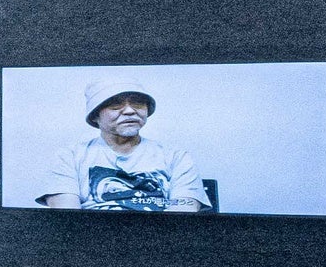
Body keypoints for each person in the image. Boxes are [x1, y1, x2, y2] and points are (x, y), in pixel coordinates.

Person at [36, 81, 205, 211]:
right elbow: (67, 218)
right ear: (95, 116)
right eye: (115, 105)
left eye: (138, 103)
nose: (130, 111)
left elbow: (184, 212)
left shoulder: (176, 157)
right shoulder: (70, 156)